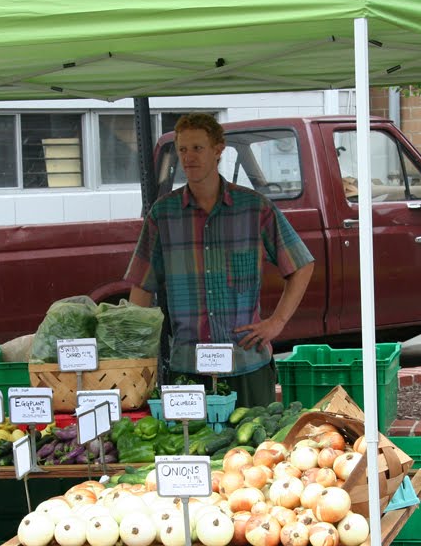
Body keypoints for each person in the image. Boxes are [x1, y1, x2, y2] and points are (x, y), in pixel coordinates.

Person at [125, 113, 315, 407]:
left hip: (247, 364)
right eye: (183, 149)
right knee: (190, 451)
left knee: (256, 451)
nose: (188, 157)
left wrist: (277, 322)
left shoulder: (255, 209)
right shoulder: (163, 215)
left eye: (197, 148)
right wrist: (132, 357)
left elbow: (301, 264)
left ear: (218, 150)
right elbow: (141, 287)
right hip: (188, 369)